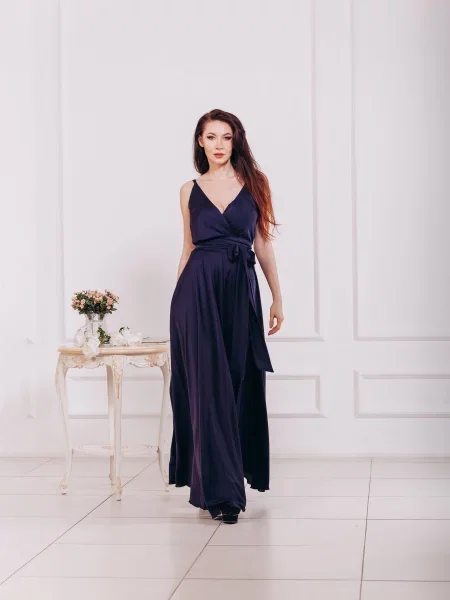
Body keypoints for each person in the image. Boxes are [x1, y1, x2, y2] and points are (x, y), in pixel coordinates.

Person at [168, 108, 284, 524]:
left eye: (226, 137)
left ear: (236, 141)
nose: (218, 145)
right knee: (206, 388)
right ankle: (223, 495)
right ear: (200, 141)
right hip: (195, 293)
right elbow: (188, 249)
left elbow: (263, 244)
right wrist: (177, 304)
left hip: (239, 290)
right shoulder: (188, 190)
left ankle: (224, 481)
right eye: (211, 137)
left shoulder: (256, 184)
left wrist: (277, 298)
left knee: (237, 383)